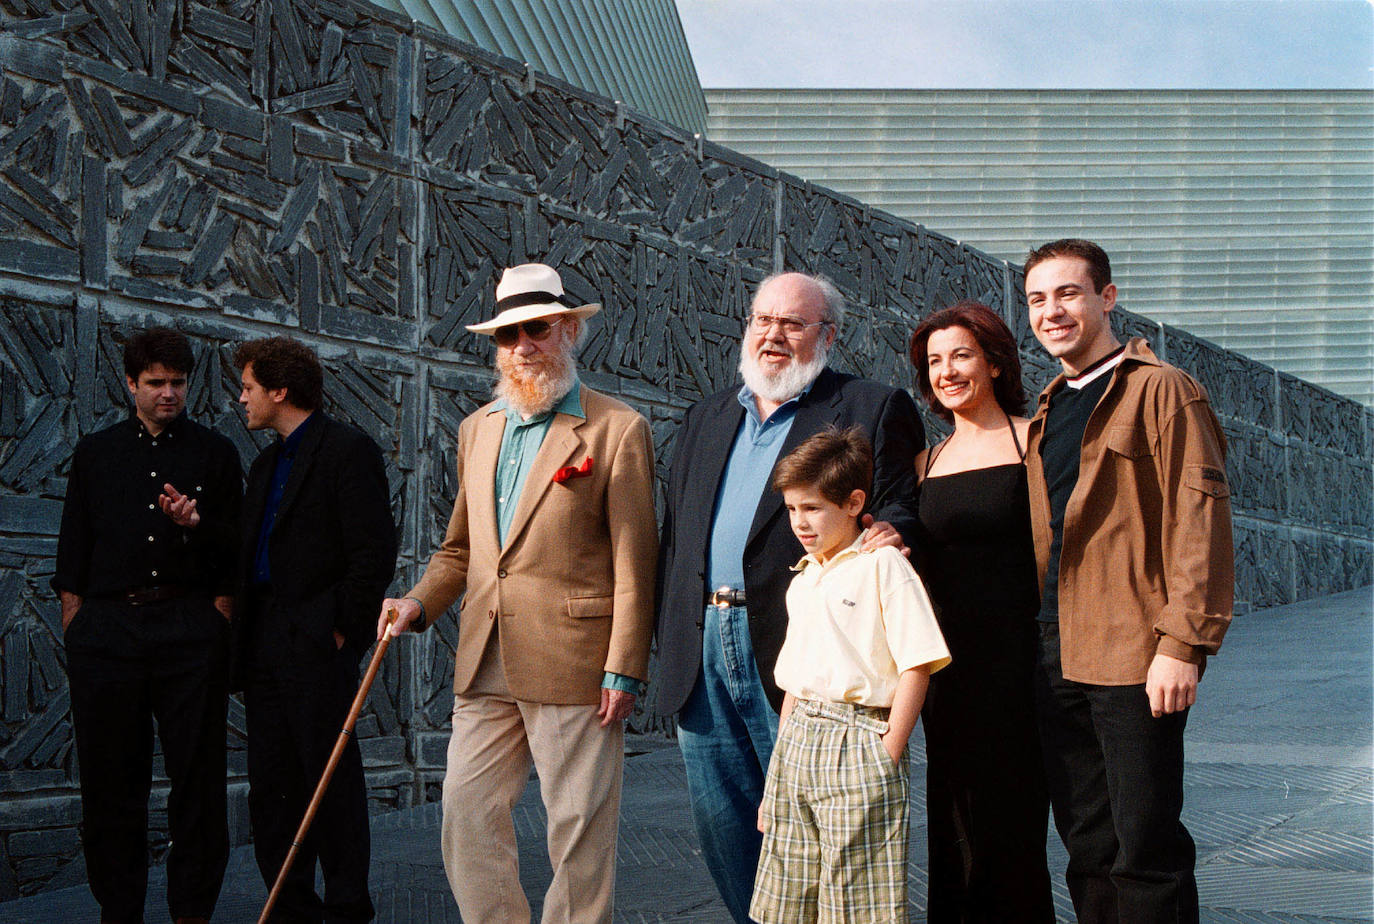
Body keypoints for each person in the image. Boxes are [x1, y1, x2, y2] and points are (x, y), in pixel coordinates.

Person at [379, 263, 657, 924]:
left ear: (568, 330)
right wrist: (417, 602)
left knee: (579, 836)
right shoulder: (477, 429)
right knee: (466, 818)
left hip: (579, 661)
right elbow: (462, 549)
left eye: (536, 329)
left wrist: (624, 665)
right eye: (507, 336)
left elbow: (635, 558)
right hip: (485, 657)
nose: (522, 347)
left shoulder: (617, 429)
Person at [655, 271, 925, 922]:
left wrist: (893, 532)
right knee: (725, 826)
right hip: (702, 649)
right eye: (762, 320)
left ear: (826, 335)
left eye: (793, 323)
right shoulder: (704, 415)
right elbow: (675, 537)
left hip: (803, 651)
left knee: (819, 835)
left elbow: (901, 508)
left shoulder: (871, 405)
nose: (773, 334)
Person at [1023, 239, 1234, 922]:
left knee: (1145, 846)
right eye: (1036, 299)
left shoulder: (1162, 389)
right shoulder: (1049, 406)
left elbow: (1198, 517)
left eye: (1067, 294)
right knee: (1087, 845)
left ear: (1106, 298)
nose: (1051, 311)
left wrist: (1182, 645)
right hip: (1055, 651)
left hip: (1132, 651)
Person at [54, 326, 240, 924]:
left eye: (178, 383)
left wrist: (215, 603)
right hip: (108, 632)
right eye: (155, 383)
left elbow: (234, 550)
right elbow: (73, 548)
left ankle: (193, 913)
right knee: (110, 782)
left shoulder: (215, 453)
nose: (168, 394)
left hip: (189, 628)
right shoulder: (97, 452)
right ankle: (120, 911)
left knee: (198, 780)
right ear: (130, 384)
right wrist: (77, 622)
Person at [750, 426, 949, 924]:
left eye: (813, 507)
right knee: (785, 898)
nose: (800, 521)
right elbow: (796, 680)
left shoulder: (883, 566)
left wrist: (887, 752)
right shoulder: (806, 576)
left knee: (856, 903)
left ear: (854, 501)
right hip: (797, 742)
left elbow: (917, 663)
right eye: (793, 509)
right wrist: (778, 771)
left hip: (858, 739)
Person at [233, 336, 396, 923]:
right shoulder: (263, 463)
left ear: (280, 390)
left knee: (329, 778)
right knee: (271, 783)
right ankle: (290, 907)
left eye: (249, 387)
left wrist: (341, 632)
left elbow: (372, 552)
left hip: (316, 640)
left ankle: (348, 905)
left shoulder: (348, 452)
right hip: (264, 641)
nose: (241, 398)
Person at [908, 300, 1055, 921]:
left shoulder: (1035, 443)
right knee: (952, 823)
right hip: (947, 673)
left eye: (961, 355)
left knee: (1012, 830)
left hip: (1020, 668)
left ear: (995, 362)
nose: (947, 372)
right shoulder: (926, 462)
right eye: (935, 361)